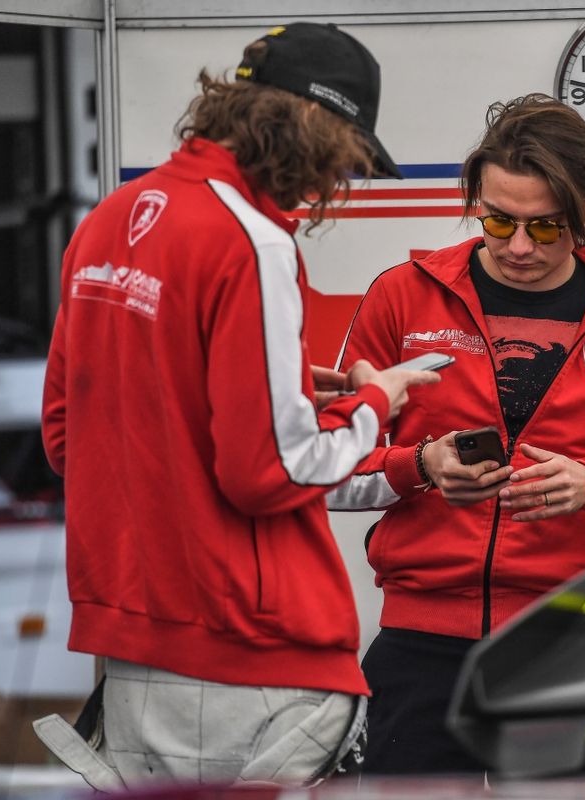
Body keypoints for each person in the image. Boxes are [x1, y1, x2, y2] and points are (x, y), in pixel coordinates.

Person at [34, 22, 439, 789]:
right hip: (252, 656)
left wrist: (281, 388)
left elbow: (68, 437)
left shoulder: (111, 217)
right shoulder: (251, 239)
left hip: (130, 649)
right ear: (314, 126)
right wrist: (373, 402)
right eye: (345, 159)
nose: (334, 182)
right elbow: (272, 470)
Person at [328, 93, 585, 773]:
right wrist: (420, 466)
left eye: (546, 227)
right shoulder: (401, 296)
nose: (519, 247)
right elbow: (327, 471)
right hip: (418, 643)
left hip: (564, 645)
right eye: (498, 221)